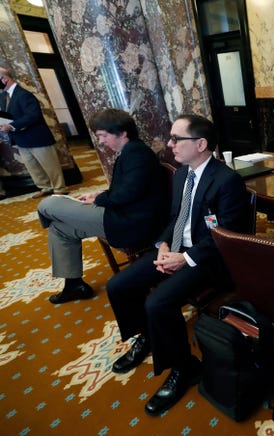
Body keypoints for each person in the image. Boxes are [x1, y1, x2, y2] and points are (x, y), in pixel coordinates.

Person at [106, 114, 247, 417]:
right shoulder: (182, 174)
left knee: (157, 303)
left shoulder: (227, 181)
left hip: (208, 260)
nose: (168, 145)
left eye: (175, 139)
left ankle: (184, 368)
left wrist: (186, 258)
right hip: (177, 250)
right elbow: (175, 219)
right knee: (118, 285)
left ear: (201, 144)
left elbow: (226, 236)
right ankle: (146, 336)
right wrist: (164, 246)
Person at [37, 109, 169, 304]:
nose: (101, 142)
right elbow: (128, 189)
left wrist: (98, 200)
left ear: (122, 132)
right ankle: (74, 285)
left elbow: (128, 193)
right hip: (124, 213)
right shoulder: (132, 150)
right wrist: (99, 195)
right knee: (59, 229)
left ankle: (48, 220)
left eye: (103, 135)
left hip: (131, 222)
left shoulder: (136, 152)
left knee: (47, 204)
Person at [0, 66, 67, 198]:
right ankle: (45, 187)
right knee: (33, 167)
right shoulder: (4, 96)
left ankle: (60, 188)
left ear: (5, 79)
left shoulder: (24, 94)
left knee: (49, 164)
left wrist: (11, 126)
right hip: (20, 138)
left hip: (37, 137)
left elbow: (33, 116)